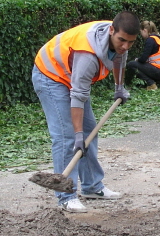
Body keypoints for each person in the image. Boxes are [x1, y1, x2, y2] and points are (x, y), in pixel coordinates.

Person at [32, 13, 139, 213]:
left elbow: (119, 59)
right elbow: (78, 96)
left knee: (90, 130)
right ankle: (66, 195)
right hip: (51, 76)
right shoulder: (88, 55)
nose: (125, 46)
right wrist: (78, 135)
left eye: (130, 42)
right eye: (122, 40)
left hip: (70, 75)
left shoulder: (120, 38)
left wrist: (119, 87)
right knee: (68, 136)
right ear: (111, 31)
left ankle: (92, 187)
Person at [126, 20, 160, 90]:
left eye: (140, 32)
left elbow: (143, 59)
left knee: (131, 64)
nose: (141, 35)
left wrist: (137, 60)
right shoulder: (159, 38)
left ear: (145, 30)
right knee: (142, 67)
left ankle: (151, 84)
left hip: (158, 70)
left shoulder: (150, 40)